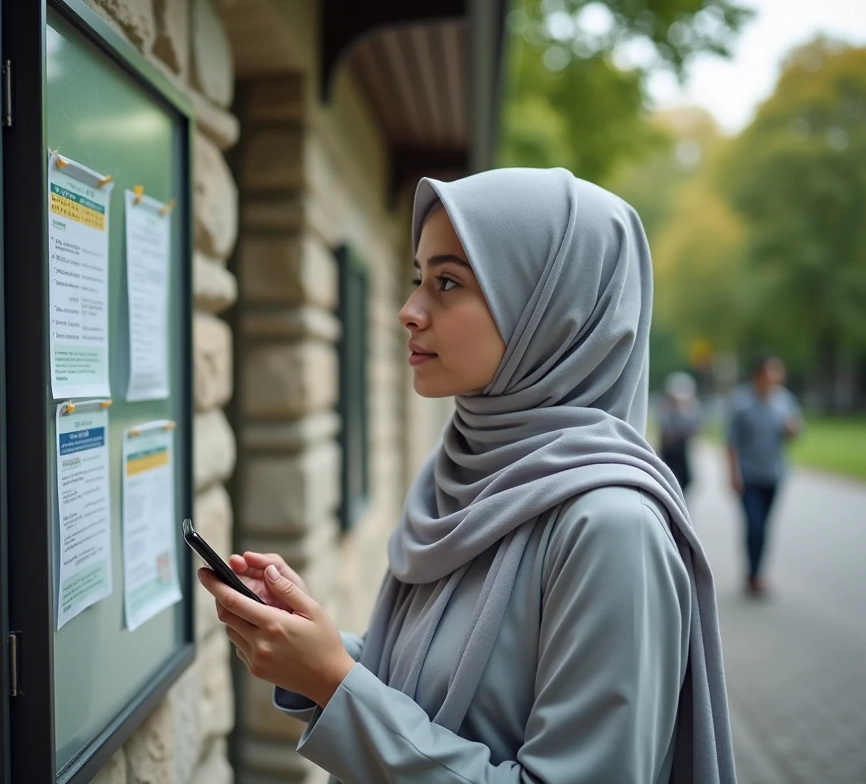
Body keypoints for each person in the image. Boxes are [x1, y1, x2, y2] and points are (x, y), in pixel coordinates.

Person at [197, 168, 735, 783]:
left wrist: (334, 681)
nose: (408, 311)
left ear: (553, 309)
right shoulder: (461, 472)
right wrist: (311, 648)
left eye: (448, 281)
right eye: (417, 279)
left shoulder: (613, 529)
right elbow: (426, 681)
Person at [726, 353, 802, 596]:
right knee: (754, 525)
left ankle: (755, 573)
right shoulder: (741, 402)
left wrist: (792, 430)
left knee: (765, 526)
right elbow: (731, 443)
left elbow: (795, 434)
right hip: (748, 476)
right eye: (772, 371)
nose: (777, 376)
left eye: (779, 372)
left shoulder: (785, 401)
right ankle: (754, 574)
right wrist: (733, 474)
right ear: (758, 374)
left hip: (774, 474)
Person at [658, 371, 703, 494]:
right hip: (670, 451)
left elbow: (696, 428)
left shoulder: (690, 409)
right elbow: (667, 431)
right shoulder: (666, 408)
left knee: (686, 480)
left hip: (682, 450)